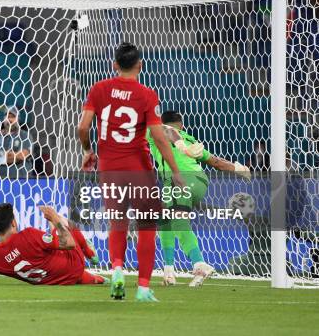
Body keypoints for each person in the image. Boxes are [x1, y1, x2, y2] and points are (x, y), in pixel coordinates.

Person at [77, 42, 184, 302]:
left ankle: (116, 270)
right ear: (140, 65)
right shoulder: (147, 94)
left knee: (118, 222)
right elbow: (159, 137)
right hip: (139, 169)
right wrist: (175, 170)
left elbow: (83, 127)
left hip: (109, 169)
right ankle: (144, 288)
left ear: (115, 65)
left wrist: (88, 150)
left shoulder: (98, 89)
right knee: (147, 225)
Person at [146, 110, 251, 287]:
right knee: (164, 219)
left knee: (179, 221)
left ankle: (199, 263)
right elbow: (215, 162)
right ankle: (169, 271)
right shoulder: (191, 139)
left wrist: (180, 145)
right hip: (199, 181)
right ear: (182, 124)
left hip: (179, 179)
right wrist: (239, 168)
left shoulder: (160, 132)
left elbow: (167, 130)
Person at [0, 203, 103, 285]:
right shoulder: (29, 235)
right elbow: (69, 243)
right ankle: (89, 252)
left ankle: (97, 279)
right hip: (74, 266)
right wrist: (54, 219)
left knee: (53, 253)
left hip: (56, 280)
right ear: (14, 222)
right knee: (60, 220)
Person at [0, 106, 33, 178]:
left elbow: (21, 156)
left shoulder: (25, 135)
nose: (9, 120)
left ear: (18, 119)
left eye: (12, 117)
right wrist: (11, 155)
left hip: (19, 180)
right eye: (7, 117)